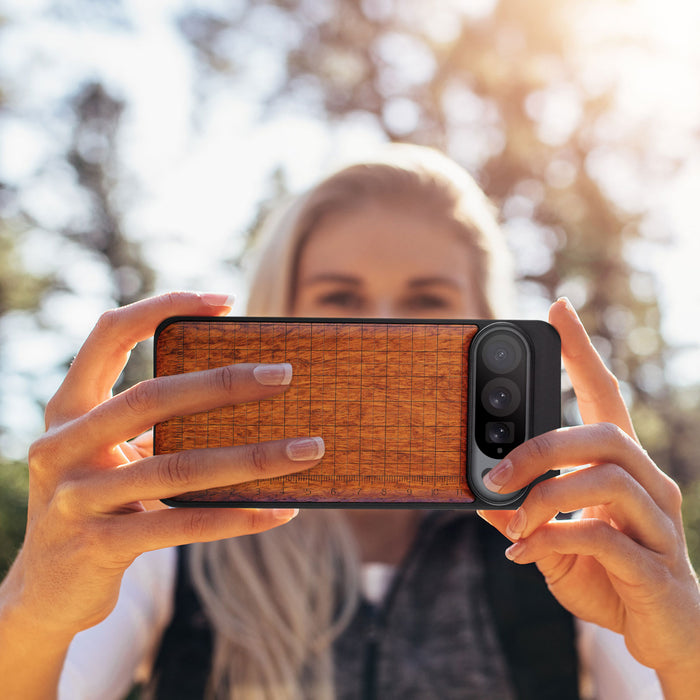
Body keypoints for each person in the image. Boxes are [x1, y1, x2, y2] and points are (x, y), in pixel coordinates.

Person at [0, 145, 698, 700]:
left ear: (487, 323)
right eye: (340, 299)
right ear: (279, 313)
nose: (385, 332)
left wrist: (685, 648)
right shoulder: (170, 536)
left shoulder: (568, 543)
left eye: (428, 302)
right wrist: (34, 607)